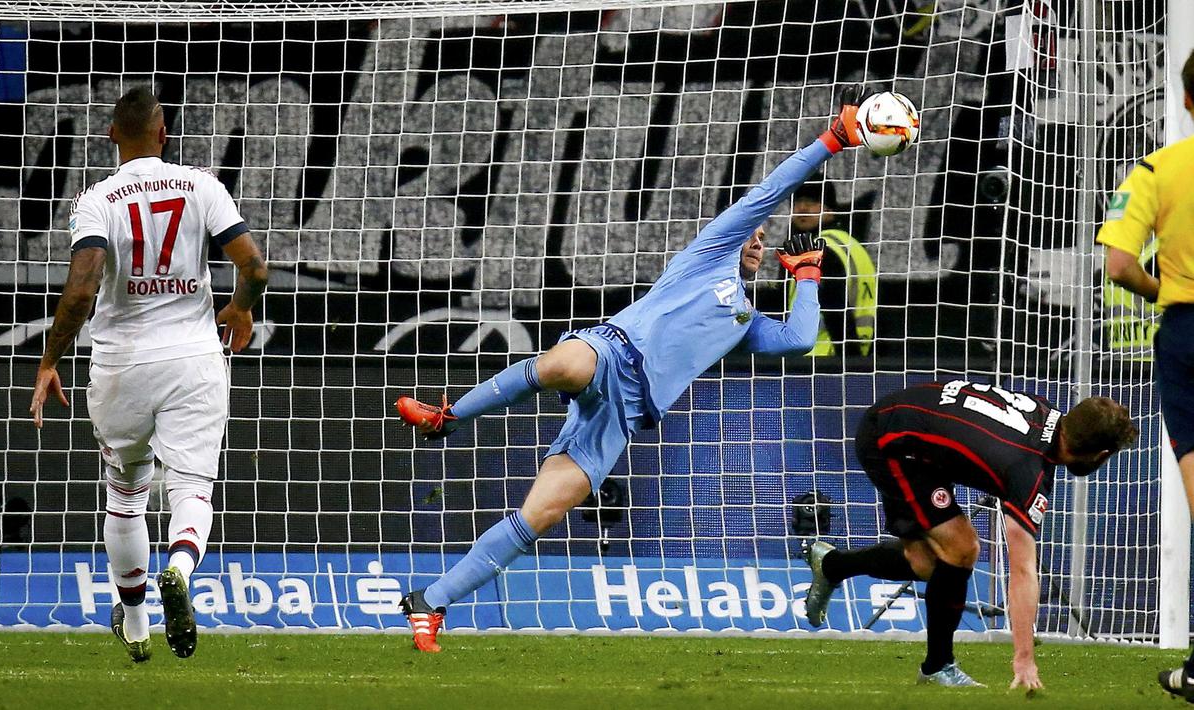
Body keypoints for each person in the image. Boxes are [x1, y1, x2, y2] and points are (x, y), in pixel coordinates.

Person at [394, 87, 872, 653]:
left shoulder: (744, 317)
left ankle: (430, 601)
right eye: (754, 232)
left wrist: (808, 276)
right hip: (612, 353)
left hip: (623, 415)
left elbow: (797, 339)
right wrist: (832, 140)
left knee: (541, 514)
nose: (758, 240)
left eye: (765, 242)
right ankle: (448, 417)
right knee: (564, 362)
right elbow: (770, 191)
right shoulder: (709, 255)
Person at [29, 87, 268, 663]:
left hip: (121, 366)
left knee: (126, 493)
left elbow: (81, 290)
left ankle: (135, 623)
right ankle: (180, 568)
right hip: (193, 359)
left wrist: (50, 360)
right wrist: (240, 308)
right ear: (164, 134)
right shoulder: (201, 185)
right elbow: (255, 267)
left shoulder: (97, 199)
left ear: (112, 134)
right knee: (192, 487)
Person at [803, 380, 1137, 688]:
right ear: (1101, 455)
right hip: (890, 443)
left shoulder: (1044, 413)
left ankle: (831, 565)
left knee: (924, 563)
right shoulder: (1026, 470)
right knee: (961, 548)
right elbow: (1022, 570)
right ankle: (937, 667)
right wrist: (1024, 659)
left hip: (909, 425)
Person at [1097, 48, 1194, 703]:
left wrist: (1163, 290)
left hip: (1189, 334)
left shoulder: (1158, 169)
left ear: (1185, 99)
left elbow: (1118, 265)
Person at [787, 180, 877, 357]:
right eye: (797, 202)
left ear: (830, 209)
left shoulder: (820, 249)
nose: (802, 208)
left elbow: (835, 311)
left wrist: (849, 361)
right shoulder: (853, 247)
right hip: (860, 353)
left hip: (823, 358)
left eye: (812, 201)